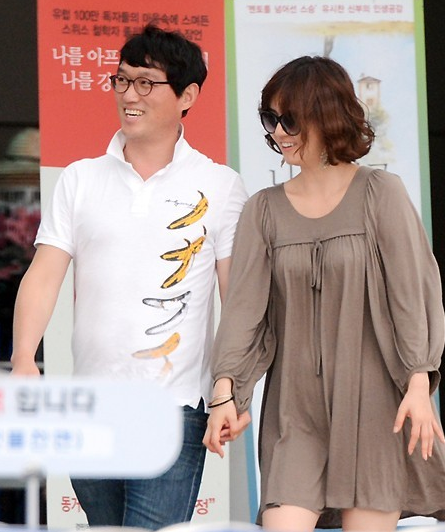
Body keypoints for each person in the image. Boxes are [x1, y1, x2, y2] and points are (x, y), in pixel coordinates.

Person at [11, 24, 248, 530]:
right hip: (90, 405)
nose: (129, 95)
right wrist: (25, 358)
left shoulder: (220, 186)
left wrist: (230, 391)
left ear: (188, 96)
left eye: (146, 83)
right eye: (121, 80)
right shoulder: (80, 178)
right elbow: (45, 273)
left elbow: (238, 301)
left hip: (174, 407)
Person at [203, 55, 445, 532]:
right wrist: (226, 391)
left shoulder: (380, 192)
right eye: (270, 119)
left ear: (326, 115)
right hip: (294, 413)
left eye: (288, 119)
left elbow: (412, 295)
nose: (278, 132)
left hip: (375, 411)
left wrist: (419, 382)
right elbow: (245, 312)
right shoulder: (263, 210)